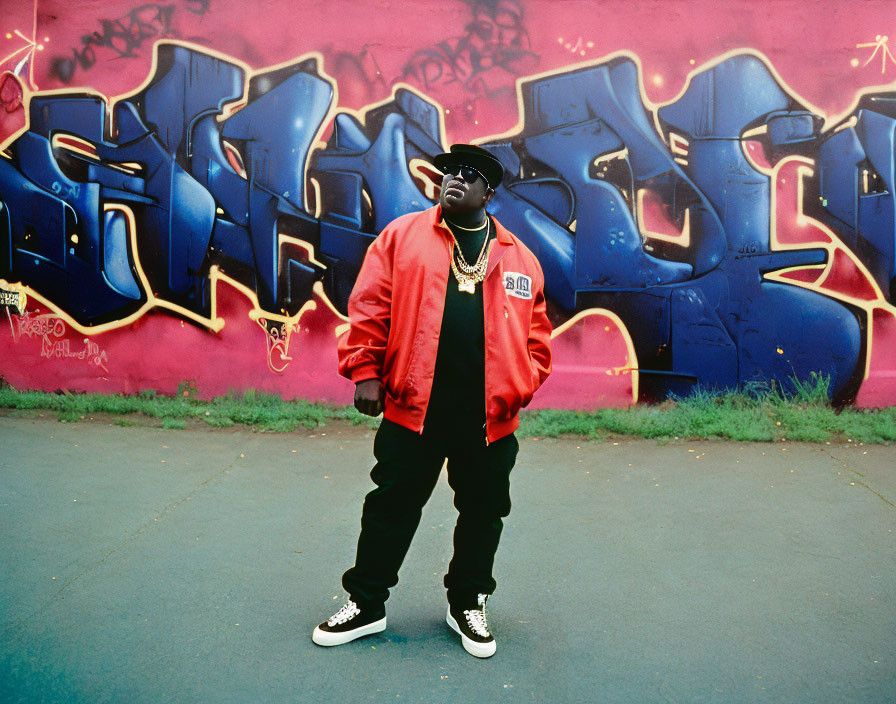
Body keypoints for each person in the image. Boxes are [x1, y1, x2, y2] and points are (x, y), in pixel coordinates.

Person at [312, 144, 552, 658]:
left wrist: (521, 384)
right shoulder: (402, 237)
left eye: (469, 175)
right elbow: (370, 306)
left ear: (489, 192)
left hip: (489, 420)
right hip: (412, 408)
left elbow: (538, 338)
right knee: (390, 506)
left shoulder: (518, 257)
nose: (454, 181)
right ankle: (367, 603)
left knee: (483, 514)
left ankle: (467, 602)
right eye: (448, 173)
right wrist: (364, 372)